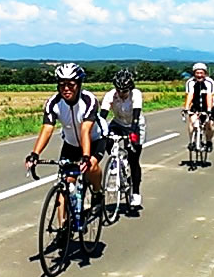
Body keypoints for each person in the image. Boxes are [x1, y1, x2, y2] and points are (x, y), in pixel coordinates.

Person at [24, 63, 106, 205]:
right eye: (62, 85)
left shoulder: (88, 100)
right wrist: (35, 154)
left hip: (94, 140)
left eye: (71, 85)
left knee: (91, 166)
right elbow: (47, 128)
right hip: (71, 143)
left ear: (79, 85)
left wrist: (86, 157)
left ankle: (98, 192)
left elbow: (85, 130)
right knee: (66, 183)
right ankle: (63, 225)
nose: (66, 89)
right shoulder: (53, 103)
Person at [100, 69, 145, 208]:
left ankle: (136, 192)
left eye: (124, 91)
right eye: (119, 90)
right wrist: (99, 130)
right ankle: (116, 162)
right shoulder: (111, 95)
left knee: (133, 159)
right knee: (104, 137)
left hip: (134, 124)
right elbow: (102, 116)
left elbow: (136, 114)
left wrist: (132, 133)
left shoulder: (136, 94)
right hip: (118, 123)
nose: (121, 93)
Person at [183, 62, 214, 152]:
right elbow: (190, 95)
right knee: (192, 122)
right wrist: (186, 107)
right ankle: (191, 142)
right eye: (197, 73)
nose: (199, 75)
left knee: (210, 125)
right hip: (195, 105)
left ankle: (209, 142)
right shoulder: (190, 82)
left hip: (209, 105)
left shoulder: (210, 82)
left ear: (205, 73)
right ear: (194, 73)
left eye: (201, 73)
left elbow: (209, 96)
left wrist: (209, 110)